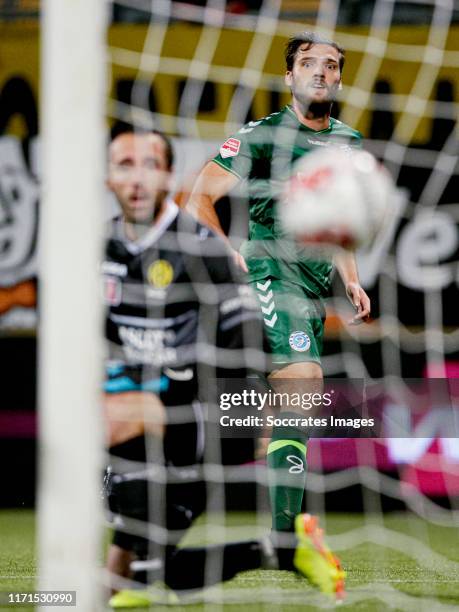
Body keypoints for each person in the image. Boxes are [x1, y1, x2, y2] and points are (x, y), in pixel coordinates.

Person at [102, 126, 345, 607]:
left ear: (170, 174)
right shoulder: (100, 249)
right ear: (108, 176)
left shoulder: (200, 249)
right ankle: (281, 551)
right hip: (136, 430)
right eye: (124, 165)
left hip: (190, 422)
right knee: (128, 582)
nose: (137, 179)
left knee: (119, 416)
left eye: (149, 165)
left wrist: (199, 402)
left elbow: (245, 344)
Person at [187, 32, 371, 536]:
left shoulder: (348, 141)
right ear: (289, 76)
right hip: (270, 274)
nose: (320, 71)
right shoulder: (262, 135)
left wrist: (352, 279)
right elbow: (198, 198)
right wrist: (224, 249)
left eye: (331, 65)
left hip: (313, 288)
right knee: (303, 383)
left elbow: (343, 220)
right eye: (309, 63)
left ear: (338, 77)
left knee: (273, 420)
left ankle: (140, 469)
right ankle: (288, 533)